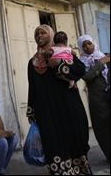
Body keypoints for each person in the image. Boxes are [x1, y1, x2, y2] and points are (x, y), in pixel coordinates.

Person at [26, 24, 92, 175]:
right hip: (47, 114)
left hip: (69, 108)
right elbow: (33, 88)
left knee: (75, 144)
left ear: (51, 35)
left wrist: (60, 64)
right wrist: (31, 111)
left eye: (43, 33)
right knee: (53, 147)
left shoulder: (64, 53)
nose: (40, 36)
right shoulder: (32, 63)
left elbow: (80, 69)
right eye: (37, 34)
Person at [78, 34, 110, 162]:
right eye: (84, 45)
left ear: (93, 43)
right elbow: (87, 77)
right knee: (103, 127)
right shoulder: (82, 62)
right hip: (98, 99)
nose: (87, 47)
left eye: (89, 43)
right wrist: (100, 64)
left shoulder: (103, 55)